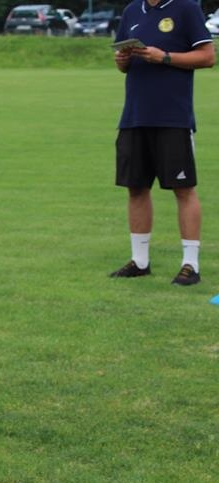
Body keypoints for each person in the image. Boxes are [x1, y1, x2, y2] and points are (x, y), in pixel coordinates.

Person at [110, 0, 214, 285]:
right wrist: (122, 61)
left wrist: (164, 57)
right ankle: (140, 261)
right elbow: (123, 64)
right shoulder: (132, 10)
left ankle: (190, 264)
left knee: (183, 189)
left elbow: (207, 56)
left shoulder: (186, 8)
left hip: (173, 117)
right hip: (134, 117)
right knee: (136, 188)